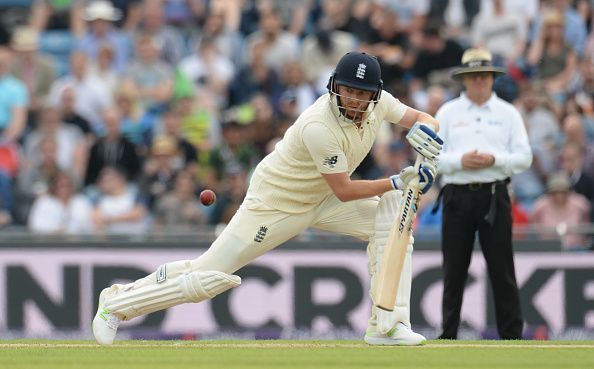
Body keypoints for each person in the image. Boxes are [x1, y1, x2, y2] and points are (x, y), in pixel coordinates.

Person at [92, 51, 443, 346]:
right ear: (335, 86)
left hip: (322, 199)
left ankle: (387, 324)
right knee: (206, 277)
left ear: (374, 95)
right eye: (347, 90)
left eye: (361, 93)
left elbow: (421, 117)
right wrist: (398, 180)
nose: (353, 98)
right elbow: (345, 189)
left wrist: (428, 130)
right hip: (277, 202)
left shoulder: (381, 103)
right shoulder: (319, 125)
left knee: (393, 221)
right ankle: (117, 304)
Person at [435, 48, 533, 340]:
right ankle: (448, 334)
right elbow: (432, 158)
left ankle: (512, 335)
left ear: (492, 78)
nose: (479, 81)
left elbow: (524, 157)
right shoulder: (448, 112)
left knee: (502, 268)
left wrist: (495, 160)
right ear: (464, 80)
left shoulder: (508, 113)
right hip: (457, 195)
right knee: (454, 269)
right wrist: (459, 162)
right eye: (473, 76)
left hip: (494, 194)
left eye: (484, 76)